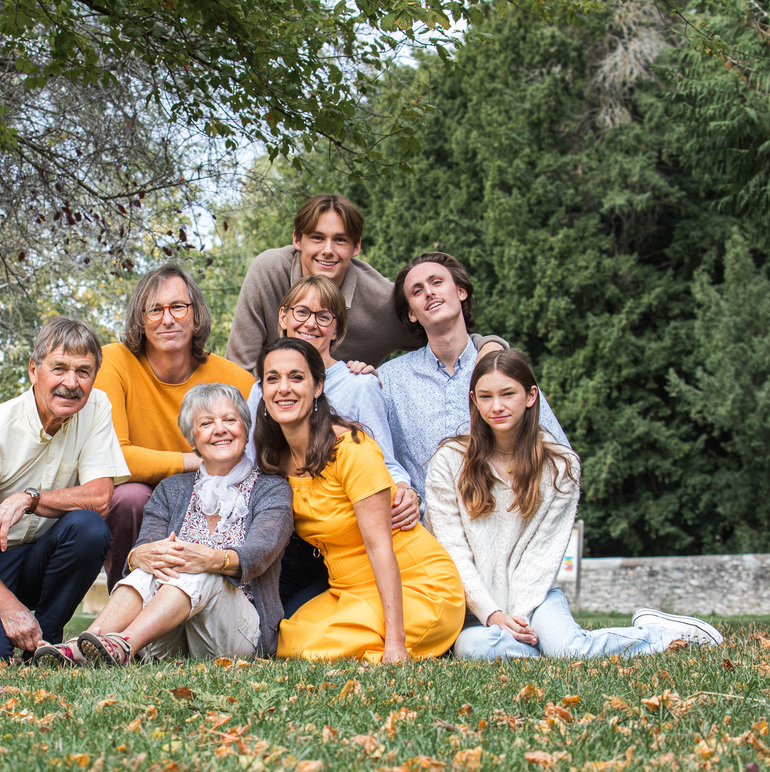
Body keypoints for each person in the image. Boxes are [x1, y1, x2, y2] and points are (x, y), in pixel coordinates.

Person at [429, 349, 723, 659]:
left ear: (531, 396)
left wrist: (517, 619)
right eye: (486, 397)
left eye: (508, 394)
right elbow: (452, 549)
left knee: (569, 649)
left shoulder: (560, 466)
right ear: (474, 400)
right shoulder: (449, 460)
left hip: (536, 596)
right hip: (476, 606)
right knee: (471, 647)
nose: (497, 406)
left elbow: (542, 554)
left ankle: (662, 634)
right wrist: (493, 615)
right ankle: (546, 649)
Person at [34, 384, 292, 665]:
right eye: (206, 423)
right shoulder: (171, 489)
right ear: (192, 439)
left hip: (236, 634)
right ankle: (82, 647)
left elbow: (261, 552)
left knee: (199, 569)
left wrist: (211, 560)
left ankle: (124, 645)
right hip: (170, 636)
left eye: (229, 419)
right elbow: (147, 547)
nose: (220, 429)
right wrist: (139, 555)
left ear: (245, 428)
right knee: (152, 564)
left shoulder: (272, 489)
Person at [0, 317, 130, 664]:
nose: (71, 383)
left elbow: (100, 497)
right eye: (59, 368)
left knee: (89, 528)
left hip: (40, 556)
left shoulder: (97, 407)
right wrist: (10, 608)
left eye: (83, 371)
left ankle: (46, 642)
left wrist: (28, 500)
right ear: (33, 371)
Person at [256, 338, 465, 662]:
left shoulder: (352, 449)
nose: (284, 388)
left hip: (417, 585)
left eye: (296, 377)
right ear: (263, 390)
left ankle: (398, 637)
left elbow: (380, 548)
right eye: (273, 378)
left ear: (318, 387)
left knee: (313, 649)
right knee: (287, 639)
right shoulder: (275, 458)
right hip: (348, 590)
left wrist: (395, 644)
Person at [242, 276, 419, 617]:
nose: (310, 323)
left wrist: (405, 489)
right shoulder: (262, 390)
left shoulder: (358, 385)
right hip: (283, 538)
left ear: (336, 329)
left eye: (323, 316)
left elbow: (382, 460)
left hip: (338, 540)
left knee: (296, 624)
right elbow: (250, 466)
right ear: (283, 316)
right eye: (302, 312)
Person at [95, 263, 255, 590]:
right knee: (130, 498)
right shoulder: (114, 361)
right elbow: (113, 459)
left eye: (178, 307)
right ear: (140, 319)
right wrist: (196, 461)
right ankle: (125, 598)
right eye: (155, 310)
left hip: (209, 501)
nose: (167, 319)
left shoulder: (236, 379)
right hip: (141, 502)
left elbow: (254, 461)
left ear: (196, 315)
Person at [378, 252, 568, 525]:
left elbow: (559, 457)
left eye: (437, 282)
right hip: (425, 537)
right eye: (417, 291)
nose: (429, 292)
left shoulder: (503, 369)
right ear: (411, 313)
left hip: (504, 530)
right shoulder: (389, 380)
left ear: (461, 291)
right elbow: (373, 461)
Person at [225, 194, 506, 375]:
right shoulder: (269, 271)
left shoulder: (381, 301)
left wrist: (488, 346)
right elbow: (239, 368)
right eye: (317, 238)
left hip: (342, 422)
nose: (327, 250)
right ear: (297, 240)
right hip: (268, 413)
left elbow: (446, 331)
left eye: (340, 240)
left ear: (356, 246)